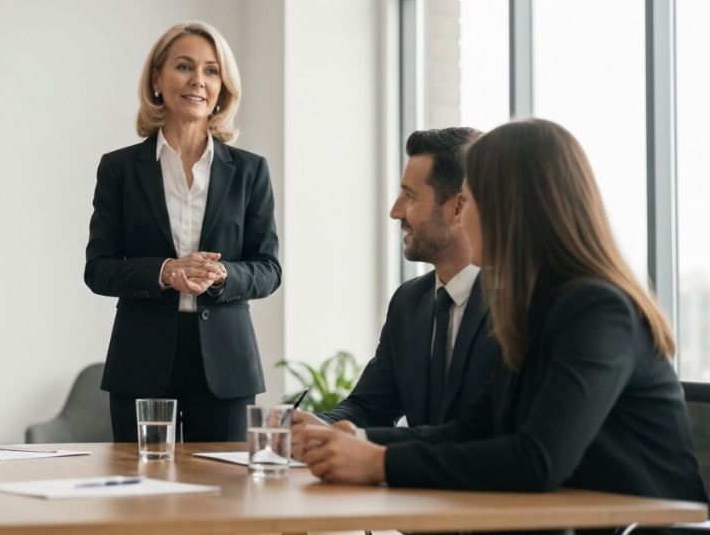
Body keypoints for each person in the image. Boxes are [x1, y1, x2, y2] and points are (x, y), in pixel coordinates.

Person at [293, 119, 707, 521]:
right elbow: (474, 429)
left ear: (510, 208)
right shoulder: (533, 306)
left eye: (469, 200)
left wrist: (381, 464)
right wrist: (358, 439)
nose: (462, 216)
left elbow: (537, 459)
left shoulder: (598, 309)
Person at [85, 21, 281, 442]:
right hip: (141, 363)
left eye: (212, 71)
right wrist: (166, 271)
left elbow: (268, 269)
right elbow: (98, 270)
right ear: (157, 79)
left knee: (225, 498)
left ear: (223, 87)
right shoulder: (119, 169)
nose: (198, 81)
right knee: (139, 496)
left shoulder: (250, 170)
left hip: (227, 365)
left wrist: (224, 274)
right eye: (184, 66)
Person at [310, 128, 498, 429]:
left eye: (409, 196)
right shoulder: (409, 301)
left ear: (458, 209)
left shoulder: (516, 305)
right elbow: (370, 407)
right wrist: (315, 427)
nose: (395, 212)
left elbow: (483, 435)